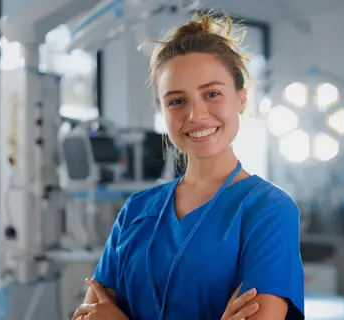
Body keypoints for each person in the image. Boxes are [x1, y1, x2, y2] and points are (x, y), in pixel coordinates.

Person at [72, 12, 305, 320]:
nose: (196, 115)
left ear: (241, 100)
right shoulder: (136, 211)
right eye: (177, 101)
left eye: (212, 94)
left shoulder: (268, 210)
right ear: (163, 111)